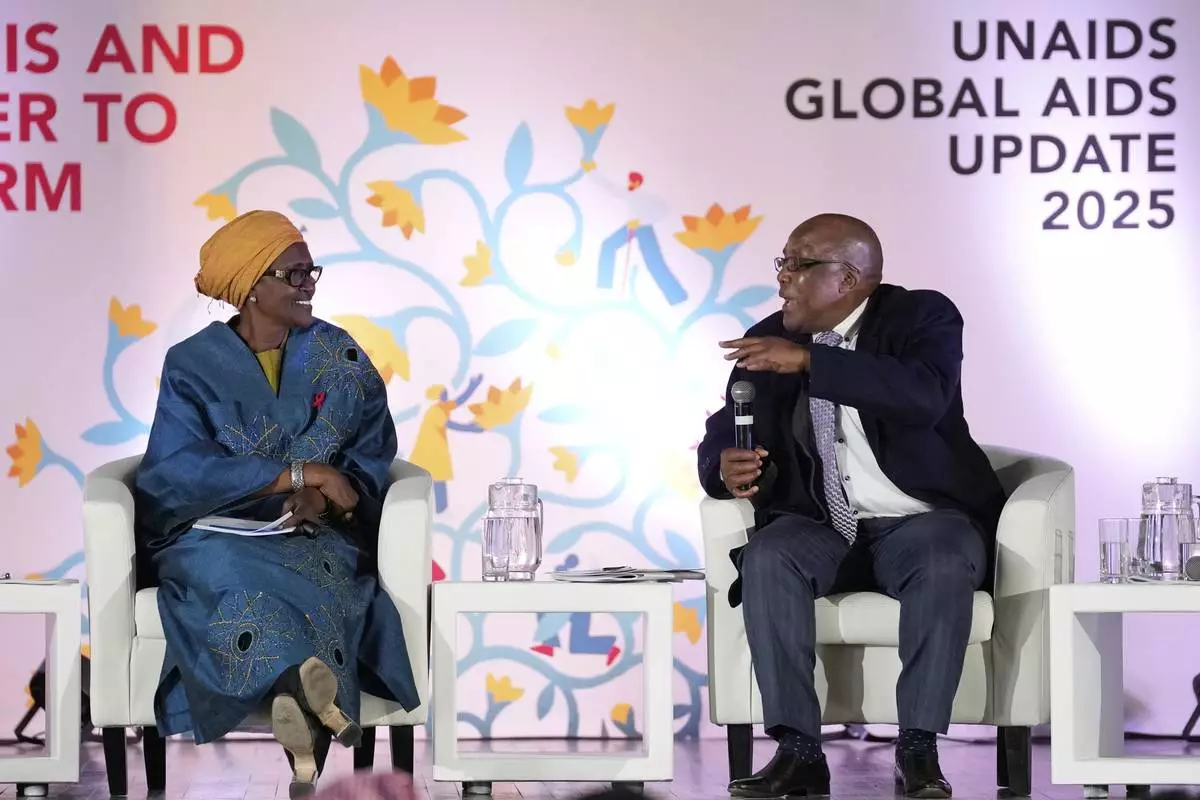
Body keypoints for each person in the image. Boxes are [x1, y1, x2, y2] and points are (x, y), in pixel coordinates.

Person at [696, 213, 1006, 799]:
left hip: (920, 520)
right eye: (782, 263)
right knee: (767, 557)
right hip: (821, 525)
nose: (782, 278)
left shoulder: (922, 317)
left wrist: (813, 363)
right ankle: (798, 751)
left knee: (943, 559)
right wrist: (722, 465)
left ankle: (918, 750)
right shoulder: (772, 336)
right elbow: (723, 425)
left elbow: (923, 395)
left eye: (797, 264)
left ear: (847, 278)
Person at [134, 210, 420, 798]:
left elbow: (371, 449)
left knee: (316, 566)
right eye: (293, 274)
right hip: (215, 531)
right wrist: (293, 473)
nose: (308, 284)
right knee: (230, 568)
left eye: (311, 271)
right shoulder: (190, 364)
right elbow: (176, 470)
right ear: (252, 287)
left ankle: (298, 702)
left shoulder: (339, 354)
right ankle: (308, 711)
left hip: (316, 530)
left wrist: (323, 496)